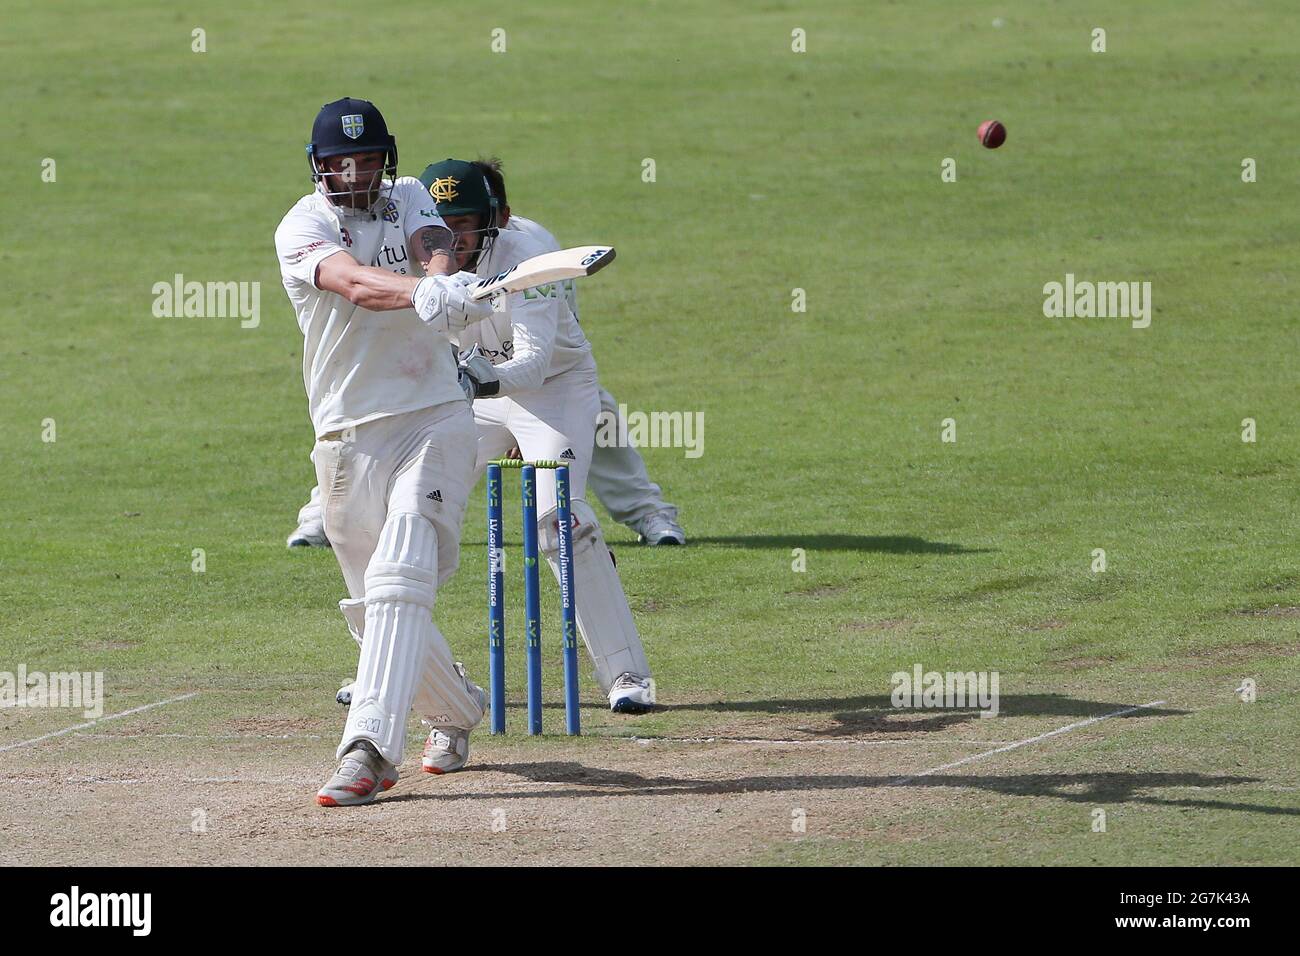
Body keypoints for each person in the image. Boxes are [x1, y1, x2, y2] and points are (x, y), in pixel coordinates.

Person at [274, 98, 496, 806]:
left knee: (403, 565)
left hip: (434, 414)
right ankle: (458, 711)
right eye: (341, 162)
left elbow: (435, 239)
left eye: (367, 159)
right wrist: (425, 292)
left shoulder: (406, 196)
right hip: (346, 434)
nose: (356, 172)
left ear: (385, 158)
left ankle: (366, 749)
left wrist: (444, 274)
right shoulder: (302, 226)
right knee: (381, 604)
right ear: (318, 168)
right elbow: (357, 285)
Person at [428, 156, 657, 713]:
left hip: (551, 389)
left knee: (560, 521)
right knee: (416, 511)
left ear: (497, 219)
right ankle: (395, 672)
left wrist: (477, 378)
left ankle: (627, 674)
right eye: (441, 226)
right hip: (471, 389)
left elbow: (530, 364)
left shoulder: (530, 257)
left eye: (464, 226)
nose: (450, 241)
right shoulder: (419, 255)